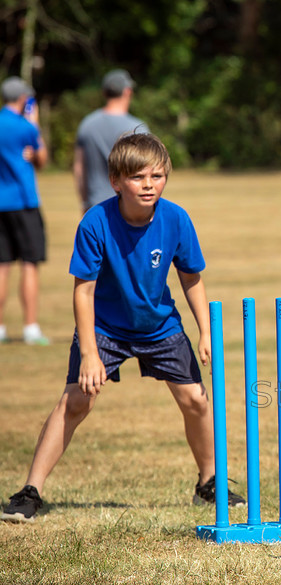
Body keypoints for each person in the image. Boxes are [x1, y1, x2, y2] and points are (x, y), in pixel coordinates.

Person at [1, 133, 244, 524]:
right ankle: (30, 492)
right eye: (138, 177)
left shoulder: (176, 219)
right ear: (116, 181)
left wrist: (205, 331)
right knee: (77, 400)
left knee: (197, 400)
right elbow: (84, 292)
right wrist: (91, 354)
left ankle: (209, 482)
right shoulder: (96, 222)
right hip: (105, 327)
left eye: (158, 176)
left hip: (159, 324)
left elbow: (191, 278)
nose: (149, 185)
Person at [0, 76, 49, 345]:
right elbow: (42, 158)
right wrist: (35, 122)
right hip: (23, 201)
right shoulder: (25, 127)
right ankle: (30, 327)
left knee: (2, 266)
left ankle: (0, 328)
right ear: (22, 99)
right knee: (30, 263)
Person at [74, 69, 148, 213]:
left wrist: (84, 202)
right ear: (127, 92)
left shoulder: (87, 124)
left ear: (104, 93)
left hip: (96, 204)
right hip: (129, 204)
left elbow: (79, 169)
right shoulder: (137, 127)